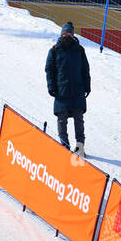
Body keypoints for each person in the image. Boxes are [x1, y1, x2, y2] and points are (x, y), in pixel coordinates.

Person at [45, 20, 91, 157]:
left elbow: (85, 70)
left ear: (73, 35)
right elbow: (49, 70)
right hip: (61, 91)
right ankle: (64, 146)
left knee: (79, 120)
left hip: (77, 91)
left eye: (69, 33)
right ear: (61, 35)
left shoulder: (80, 50)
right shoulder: (54, 51)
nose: (67, 36)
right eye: (65, 33)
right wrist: (51, 87)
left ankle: (80, 148)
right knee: (62, 119)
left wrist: (87, 86)